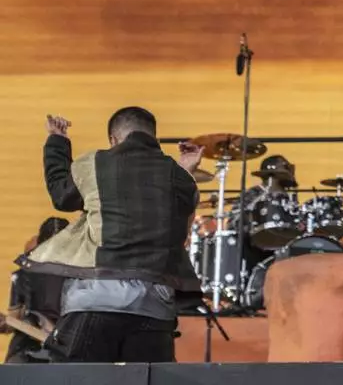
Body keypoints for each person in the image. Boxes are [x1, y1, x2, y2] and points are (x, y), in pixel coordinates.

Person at [15, 108, 202, 363]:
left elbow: (61, 196)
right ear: (154, 137)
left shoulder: (95, 163)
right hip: (155, 308)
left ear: (113, 139)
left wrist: (57, 141)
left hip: (95, 300)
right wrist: (185, 170)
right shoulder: (182, 179)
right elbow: (180, 233)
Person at [4, 217, 69, 363]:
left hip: (70, 349)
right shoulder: (25, 274)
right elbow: (14, 320)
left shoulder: (83, 276)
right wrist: (5, 323)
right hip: (29, 348)